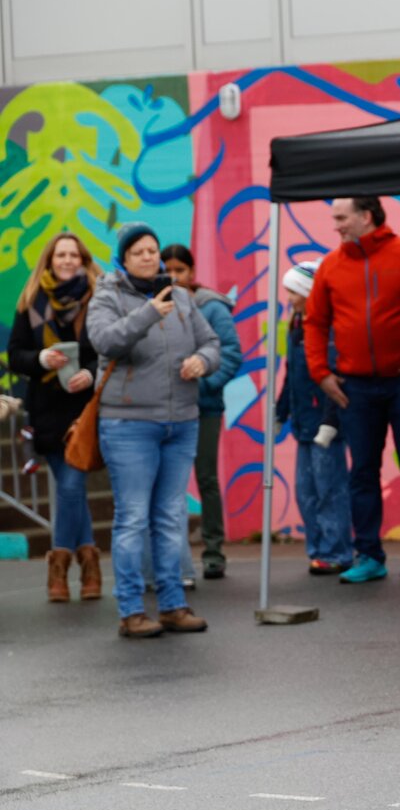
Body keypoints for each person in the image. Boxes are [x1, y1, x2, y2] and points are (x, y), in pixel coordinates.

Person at [304, 196, 400, 583]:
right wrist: (321, 373)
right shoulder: (330, 266)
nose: (336, 225)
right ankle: (369, 555)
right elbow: (314, 322)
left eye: (342, 217)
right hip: (354, 386)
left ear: (366, 216)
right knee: (362, 473)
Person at [86, 223, 220, 637]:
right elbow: (105, 341)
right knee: (132, 518)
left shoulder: (180, 296)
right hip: (129, 423)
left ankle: (173, 605)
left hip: (181, 422)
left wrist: (202, 361)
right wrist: (147, 312)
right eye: (139, 251)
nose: (148, 257)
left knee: (169, 517)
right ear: (123, 259)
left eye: (152, 250)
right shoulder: (107, 296)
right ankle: (131, 611)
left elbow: (212, 343)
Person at [7, 233, 101, 602]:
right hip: (46, 409)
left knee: (71, 486)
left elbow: (107, 350)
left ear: (83, 260)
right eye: (60, 255)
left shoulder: (97, 299)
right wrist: (41, 359)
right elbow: (15, 355)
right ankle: (89, 564)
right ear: (49, 260)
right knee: (70, 488)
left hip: (84, 409)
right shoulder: (31, 301)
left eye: (73, 255)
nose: (67, 261)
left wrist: (90, 374)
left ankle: (58, 566)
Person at [160, 244, 242, 580]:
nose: (173, 276)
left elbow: (231, 353)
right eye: (168, 270)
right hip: (165, 408)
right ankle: (173, 557)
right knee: (169, 484)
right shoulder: (155, 307)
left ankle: (213, 551)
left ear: (192, 272)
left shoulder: (211, 306)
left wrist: (204, 385)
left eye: (180, 270)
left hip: (204, 408)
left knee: (206, 477)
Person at [274, 262, 352, 575]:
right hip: (303, 423)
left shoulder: (329, 328)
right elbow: (290, 374)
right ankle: (318, 548)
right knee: (306, 491)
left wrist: (331, 421)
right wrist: (280, 412)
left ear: (309, 292)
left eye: (294, 291)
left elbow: (335, 378)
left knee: (329, 488)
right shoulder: (296, 325)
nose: (289, 298)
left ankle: (337, 551)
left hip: (324, 425)